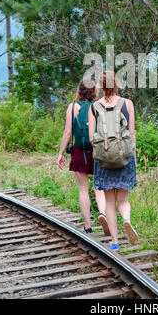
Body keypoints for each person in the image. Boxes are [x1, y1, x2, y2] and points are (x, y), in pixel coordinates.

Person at [88, 71, 138, 251]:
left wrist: (105, 150)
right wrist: (131, 156)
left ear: (101, 87)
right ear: (116, 84)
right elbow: (131, 134)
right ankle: (126, 220)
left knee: (109, 201)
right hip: (124, 156)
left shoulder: (94, 107)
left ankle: (115, 241)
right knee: (123, 200)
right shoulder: (127, 104)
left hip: (103, 160)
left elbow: (92, 138)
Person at [57, 79, 110, 236]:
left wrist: (60, 153)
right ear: (94, 91)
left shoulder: (72, 107)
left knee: (83, 190)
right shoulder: (100, 105)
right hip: (98, 151)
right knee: (99, 188)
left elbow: (68, 132)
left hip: (80, 152)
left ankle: (87, 226)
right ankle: (103, 214)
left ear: (79, 90)